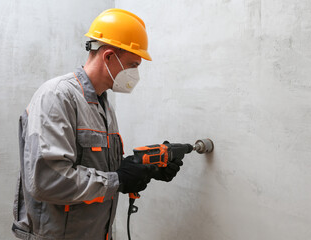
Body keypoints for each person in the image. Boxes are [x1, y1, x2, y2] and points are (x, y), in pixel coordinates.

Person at [12, 9, 183, 240]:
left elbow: (97, 166)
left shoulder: (104, 106)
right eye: (133, 64)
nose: (135, 73)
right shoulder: (57, 97)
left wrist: (145, 169)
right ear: (109, 56)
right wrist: (119, 179)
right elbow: (47, 180)